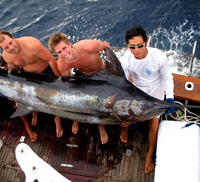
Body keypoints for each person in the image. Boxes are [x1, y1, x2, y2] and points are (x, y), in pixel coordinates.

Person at [119, 25, 175, 173]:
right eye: (132, 47)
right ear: (127, 46)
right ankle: (124, 131)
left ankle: (149, 156)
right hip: (137, 90)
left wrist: (170, 98)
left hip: (156, 90)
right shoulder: (126, 60)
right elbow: (123, 82)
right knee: (125, 120)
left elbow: (167, 78)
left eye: (140, 46)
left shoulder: (159, 56)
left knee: (154, 124)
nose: (136, 50)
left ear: (147, 42)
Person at [0, 30, 61, 139]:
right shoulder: (7, 56)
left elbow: (51, 60)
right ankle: (34, 111)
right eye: (6, 47)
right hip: (30, 78)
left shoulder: (32, 44)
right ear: (2, 49)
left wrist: (60, 81)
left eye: (10, 43)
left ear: (13, 37)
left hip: (47, 73)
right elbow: (16, 71)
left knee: (55, 98)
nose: (10, 48)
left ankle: (57, 118)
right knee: (27, 100)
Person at [48, 33, 111, 144]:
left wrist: (111, 65)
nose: (64, 54)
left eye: (64, 48)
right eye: (59, 52)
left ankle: (100, 126)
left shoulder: (87, 46)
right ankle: (75, 118)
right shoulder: (62, 64)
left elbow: (106, 46)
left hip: (102, 73)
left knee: (100, 102)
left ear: (69, 44)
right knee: (73, 98)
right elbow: (68, 82)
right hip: (84, 76)